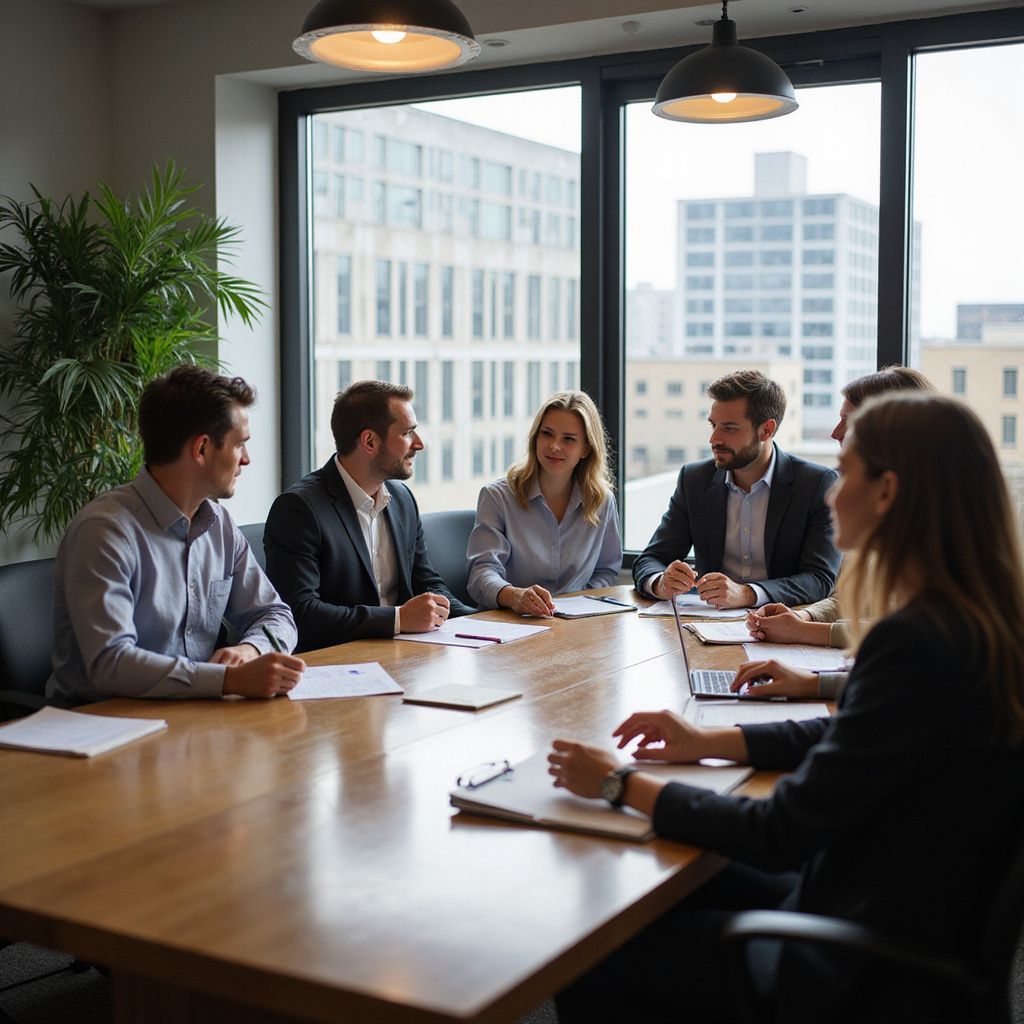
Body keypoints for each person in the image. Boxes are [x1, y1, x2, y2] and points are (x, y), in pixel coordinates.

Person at [548, 392, 1024, 1023]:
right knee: (666, 886)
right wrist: (710, 742)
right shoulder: (973, 625)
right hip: (892, 903)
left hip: (857, 967)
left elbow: (777, 832)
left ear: (888, 492)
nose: (831, 493)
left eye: (847, 471)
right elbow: (854, 735)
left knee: (597, 951)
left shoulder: (917, 644)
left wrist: (618, 782)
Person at [48, 366, 304, 704]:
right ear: (201, 449)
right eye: (240, 444)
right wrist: (226, 680)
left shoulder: (220, 526)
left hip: (193, 714)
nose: (247, 459)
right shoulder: (104, 531)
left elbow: (276, 615)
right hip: (101, 727)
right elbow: (111, 664)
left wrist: (249, 648)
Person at [737, 366, 934, 699]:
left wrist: (812, 634)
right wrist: (803, 616)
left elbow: (907, 641)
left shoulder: (931, 538)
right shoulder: (880, 525)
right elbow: (847, 602)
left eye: (849, 422)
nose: (835, 433)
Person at [265, 380, 473, 651]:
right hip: (339, 664)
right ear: (370, 441)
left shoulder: (402, 499)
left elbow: (428, 584)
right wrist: (398, 619)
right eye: (408, 433)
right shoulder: (298, 509)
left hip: (405, 655)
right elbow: (300, 614)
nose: (419, 444)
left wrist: (481, 621)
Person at [632, 370, 840, 610]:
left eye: (729, 428)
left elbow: (819, 579)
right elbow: (650, 559)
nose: (714, 439)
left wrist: (747, 594)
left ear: (766, 430)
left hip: (783, 625)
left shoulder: (816, 484)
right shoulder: (695, 480)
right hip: (707, 628)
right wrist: (661, 583)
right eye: (713, 425)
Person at [467, 391, 622, 616]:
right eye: (547, 434)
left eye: (568, 439)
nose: (554, 446)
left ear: (586, 448)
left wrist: (578, 605)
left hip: (574, 626)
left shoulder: (601, 501)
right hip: (511, 622)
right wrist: (515, 596)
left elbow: (606, 571)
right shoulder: (497, 497)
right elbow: (482, 573)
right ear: (535, 438)